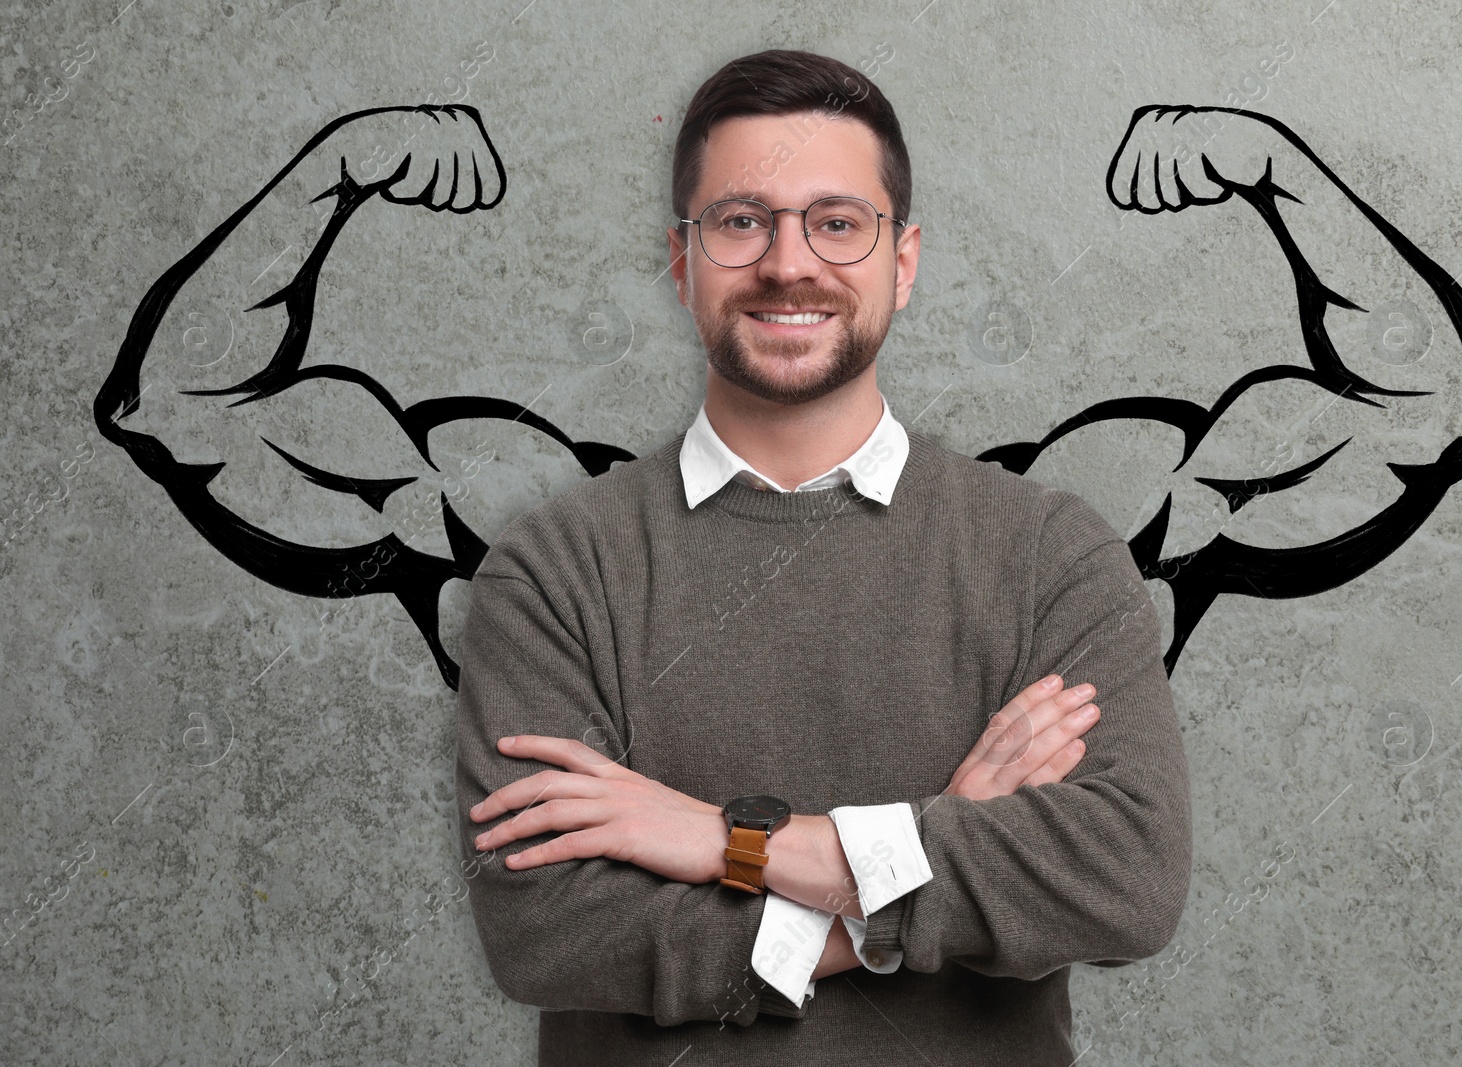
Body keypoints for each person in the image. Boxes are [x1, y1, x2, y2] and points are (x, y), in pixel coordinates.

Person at [455, 48, 1190, 1066]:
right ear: (682, 261)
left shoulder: (1048, 557)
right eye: (741, 220)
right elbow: (549, 933)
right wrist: (912, 866)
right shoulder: (553, 573)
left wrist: (724, 839)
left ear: (904, 259)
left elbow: (1122, 880)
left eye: (837, 222)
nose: (789, 262)